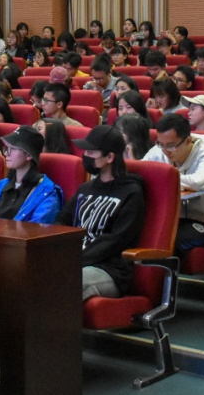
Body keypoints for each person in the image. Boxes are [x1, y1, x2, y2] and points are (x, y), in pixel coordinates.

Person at [57, 125, 145, 301]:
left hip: (108, 269)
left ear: (110, 157)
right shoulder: (85, 188)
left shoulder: (131, 193)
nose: (85, 156)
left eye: (91, 152)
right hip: (74, 260)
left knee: (63, 283)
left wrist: (75, 259)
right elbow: (62, 221)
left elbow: (116, 241)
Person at [143, 112, 204, 225]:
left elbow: (199, 182)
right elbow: (141, 171)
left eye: (171, 146)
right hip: (175, 220)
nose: (165, 151)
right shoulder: (161, 149)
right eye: (161, 144)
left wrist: (166, 177)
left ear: (187, 141)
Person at [0, 127, 64, 223]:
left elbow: (37, 229)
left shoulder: (47, 193)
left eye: (13, 149)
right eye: (7, 148)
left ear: (29, 155)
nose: (6, 153)